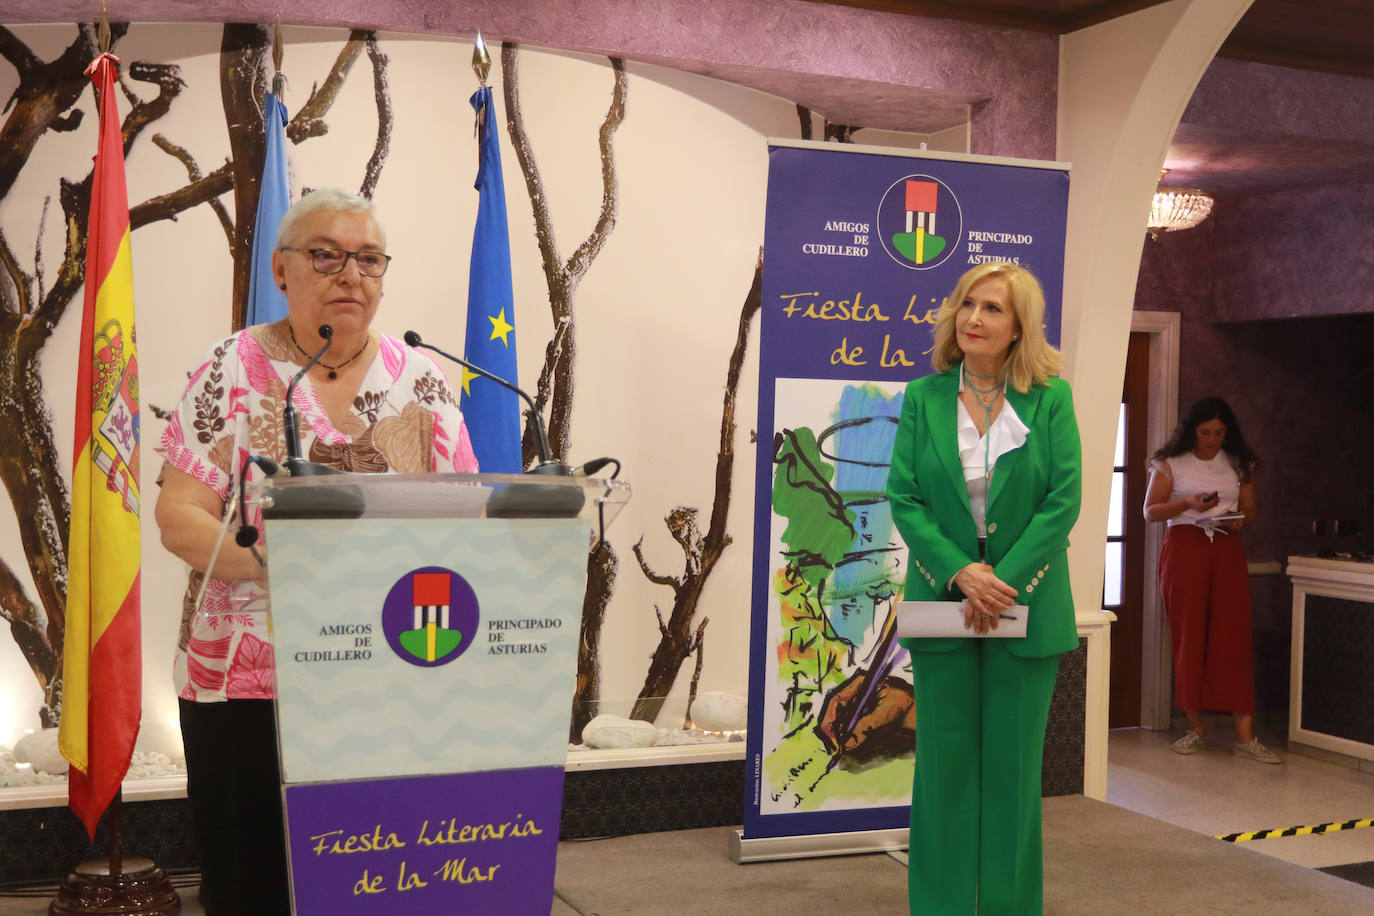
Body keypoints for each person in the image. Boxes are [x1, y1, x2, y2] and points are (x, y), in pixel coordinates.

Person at [154, 187, 479, 914]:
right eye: (326, 256)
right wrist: (283, 564)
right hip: (247, 683)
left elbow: (467, 514)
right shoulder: (232, 367)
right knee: (254, 884)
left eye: (369, 259)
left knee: (377, 882)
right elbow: (179, 518)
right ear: (281, 269)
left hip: (393, 672)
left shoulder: (422, 378)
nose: (351, 275)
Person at [887, 261, 1081, 915]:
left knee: (1012, 776)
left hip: (1026, 609)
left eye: (992, 308)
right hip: (943, 602)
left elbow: (1063, 501)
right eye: (967, 304)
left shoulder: (1051, 399)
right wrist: (961, 572)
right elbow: (905, 497)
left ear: (1020, 325)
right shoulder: (924, 397)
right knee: (943, 774)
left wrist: (1002, 583)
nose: (973, 318)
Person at [1143, 397, 1278, 764]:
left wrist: (1240, 519)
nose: (1212, 439)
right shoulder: (1170, 462)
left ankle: (1244, 736)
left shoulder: (1238, 462)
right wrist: (1187, 504)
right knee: (1189, 635)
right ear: (1192, 430)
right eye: (1205, 432)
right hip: (1185, 547)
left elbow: (1251, 510)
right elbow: (1150, 511)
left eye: (1219, 433)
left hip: (1226, 547)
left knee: (1233, 635)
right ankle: (1196, 728)